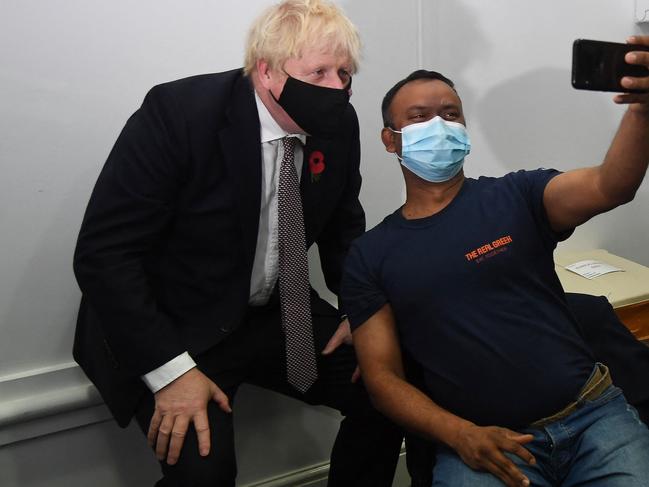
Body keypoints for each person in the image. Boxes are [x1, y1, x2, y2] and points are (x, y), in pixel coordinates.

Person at [72, 1, 403, 485]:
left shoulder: (338, 126)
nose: (338, 89)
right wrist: (171, 373)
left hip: (277, 313)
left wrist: (362, 308)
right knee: (204, 473)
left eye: (344, 73)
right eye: (319, 72)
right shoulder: (179, 113)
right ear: (266, 71)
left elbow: (342, 227)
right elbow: (104, 256)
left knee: (389, 392)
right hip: (173, 325)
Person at [341, 36, 649, 487]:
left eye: (450, 114)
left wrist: (641, 110)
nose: (439, 125)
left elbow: (610, 186)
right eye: (419, 117)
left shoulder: (517, 195)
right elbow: (381, 377)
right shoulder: (371, 254)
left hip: (593, 416)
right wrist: (460, 434)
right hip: (485, 443)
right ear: (391, 140)